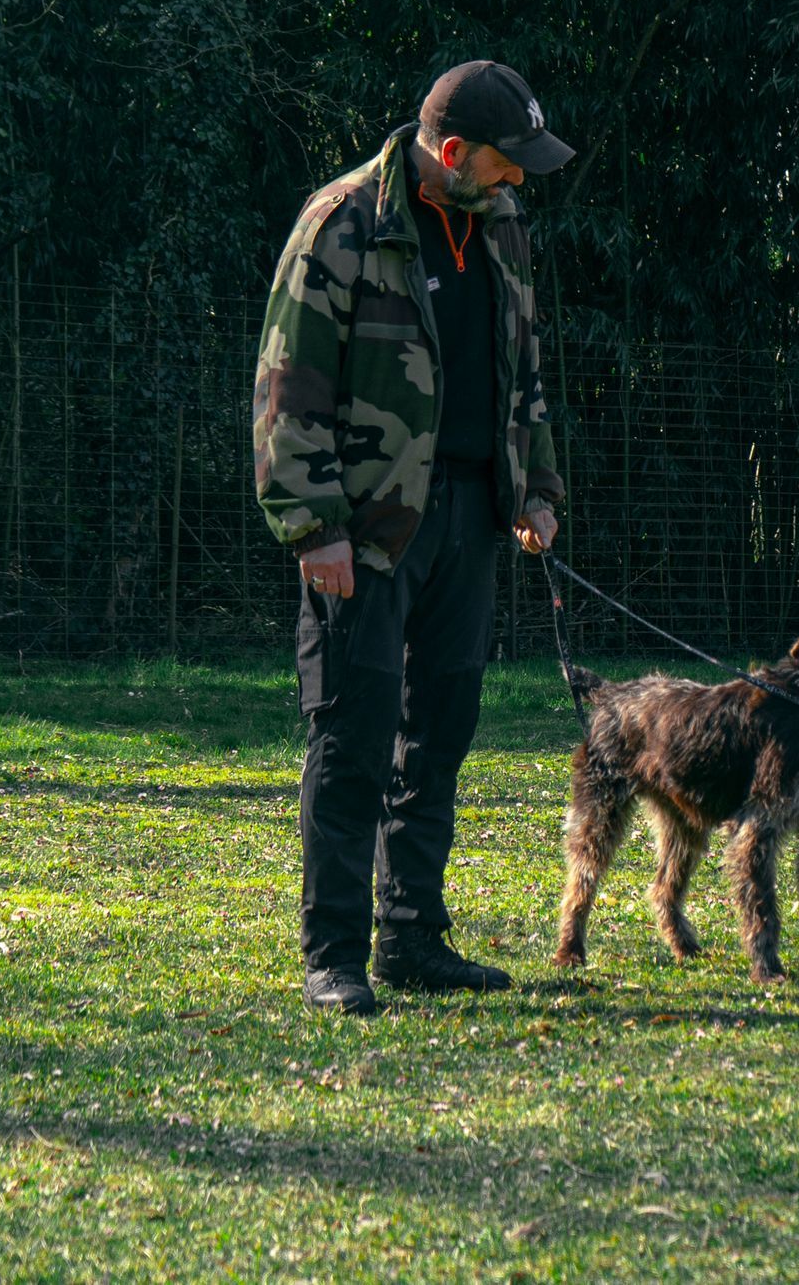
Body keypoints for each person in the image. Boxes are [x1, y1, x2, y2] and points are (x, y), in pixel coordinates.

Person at [253, 61, 574, 1014]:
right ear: (451, 152)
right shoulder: (343, 222)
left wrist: (539, 487)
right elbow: (289, 382)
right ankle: (335, 955)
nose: (518, 180)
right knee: (353, 736)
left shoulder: (502, 227)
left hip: (473, 521)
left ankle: (412, 938)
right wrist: (313, 527)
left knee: (440, 734)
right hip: (365, 529)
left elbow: (527, 372)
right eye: (506, 163)